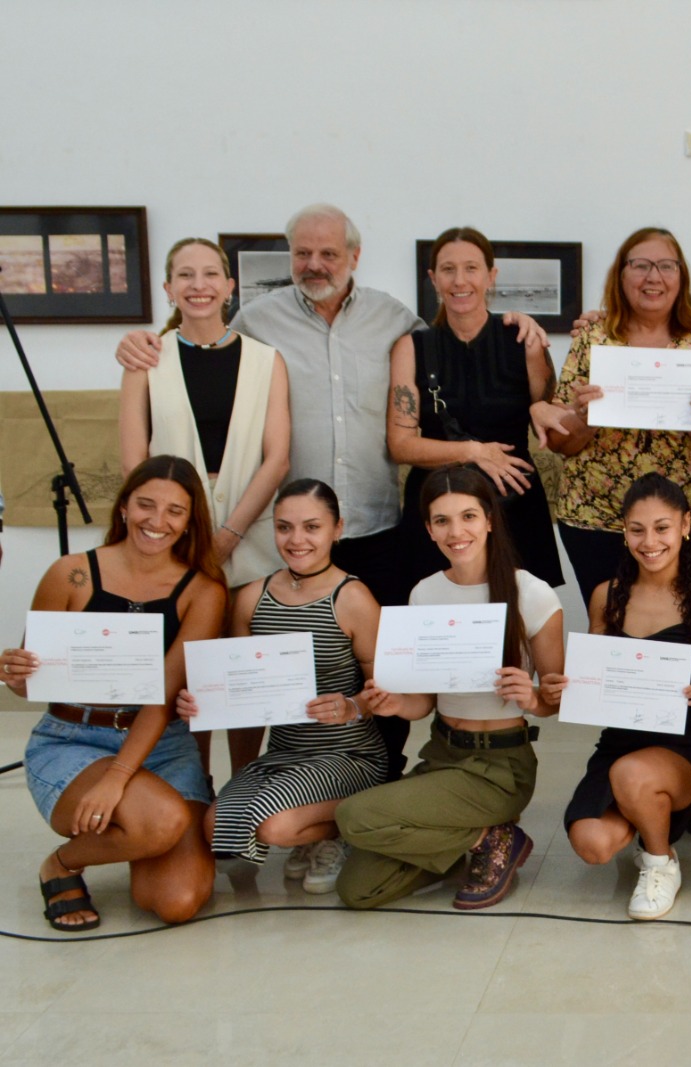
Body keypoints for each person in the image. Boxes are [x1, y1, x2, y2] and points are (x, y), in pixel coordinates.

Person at [114, 205, 548, 779]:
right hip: (291, 531)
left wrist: (521, 322)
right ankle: (272, 777)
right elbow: (202, 349)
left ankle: (377, 775)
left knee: (378, 666)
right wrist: (144, 342)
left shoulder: (394, 320)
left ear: (355, 257)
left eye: (329, 254)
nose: (315, 265)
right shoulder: (257, 321)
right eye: (303, 253)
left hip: (373, 524)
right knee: (271, 664)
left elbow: (458, 335)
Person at [3, 456, 228, 929]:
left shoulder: (202, 590)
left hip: (161, 747)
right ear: (124, 507)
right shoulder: (70, 573)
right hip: (75, 740)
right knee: (161, 822)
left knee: (177, 901)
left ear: (190, 522)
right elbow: (31, 685)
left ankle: (135, 831)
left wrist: (120, 776)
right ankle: (63, 864)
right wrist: (15, 673)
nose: (157, 521)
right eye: (146, 505)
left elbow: (167, 693)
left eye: (175, 511)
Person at [335, 466, 564, 910]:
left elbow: (556, 700)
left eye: (468, 517)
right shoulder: (425, 593)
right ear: (428, 529)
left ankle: (490, 835)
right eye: (442, 521)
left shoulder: (531, 593)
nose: (456, 531)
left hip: (501, 765)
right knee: (358, 890)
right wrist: (394, 702)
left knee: (353, 815)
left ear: (490, 519)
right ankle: (484, 840)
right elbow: (423, 703)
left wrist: (533, 696)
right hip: (444, 755)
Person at [119, 237, 292, 778]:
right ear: (169, 287)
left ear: (229, 286)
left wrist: (230, 533)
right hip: (169, 536)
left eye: (210, 274)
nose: (199, 285)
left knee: (241, 670)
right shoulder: (147, 359)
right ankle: (194, 785)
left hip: (250, 534)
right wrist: (172, 529)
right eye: (185, 276)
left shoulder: (266, 360)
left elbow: (278, 456)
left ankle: (243, 784)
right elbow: (134, 462)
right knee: (188, 670)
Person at [173, 479, 387, 892]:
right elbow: (240, 697)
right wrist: (206, 706)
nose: (296, 539)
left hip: (347, 752)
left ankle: (342, 829)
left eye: (312, 527)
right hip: (284, 753)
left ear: (337, 528)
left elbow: (386, 691)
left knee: (273, 828)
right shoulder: (253, 597)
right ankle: (305, 820)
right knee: (216, 821)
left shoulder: (353, 597)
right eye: (284, 527)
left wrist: (351, 706)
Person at [545, 474, 691, 920]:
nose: (649, 541)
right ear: (624, 531)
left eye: (662, 528)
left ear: (686, 526)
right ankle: (646, 808)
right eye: (637, 529)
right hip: (622, 742)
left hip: (688, 748)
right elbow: (594, 677)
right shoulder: (605, 596)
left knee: (633, 775)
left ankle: (659, 859)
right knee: (593, 844)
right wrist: (568, 686)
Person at [545, 227, 691, 601]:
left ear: (681, 276)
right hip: (599, 518)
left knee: (688, 631)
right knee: (611, 625)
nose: (654, 277)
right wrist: (583, 420)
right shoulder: (593, 337)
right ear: (621, 274)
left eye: (667, 266)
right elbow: (557, 442)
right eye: (641, 266)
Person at [387, 227, 562, 593]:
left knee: (520, 626)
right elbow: (401, 446)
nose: (460, 280)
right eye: (448, 270)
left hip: (514, 505)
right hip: (439, 510)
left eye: (471, 268)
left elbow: (548, 406)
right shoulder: (413, 346)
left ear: (490, 276)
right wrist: (474, 452)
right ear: (434, 279)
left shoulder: (522, 338)